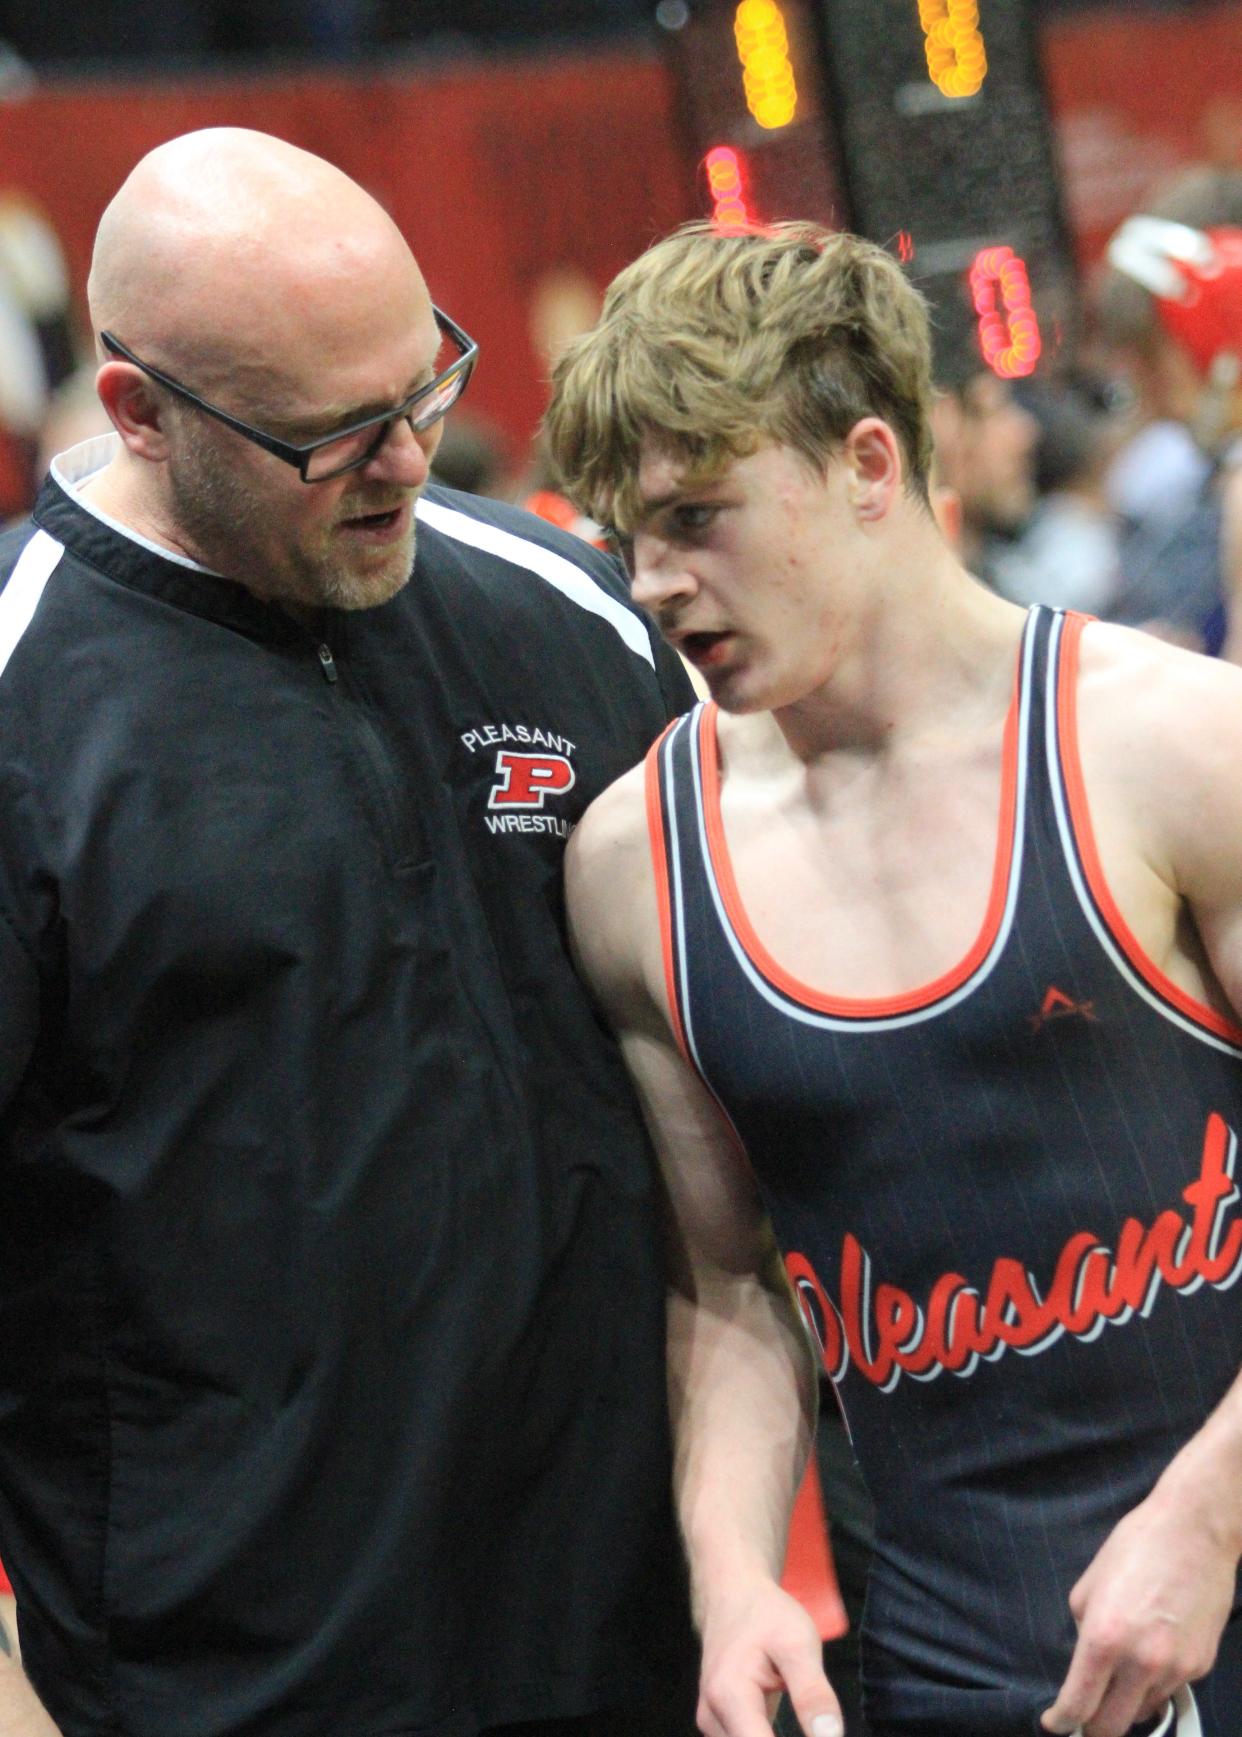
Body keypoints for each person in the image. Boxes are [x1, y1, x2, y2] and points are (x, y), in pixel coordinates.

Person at [0, 128, 700, 1736]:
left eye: (425, 383)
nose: (405, 458)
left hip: (627, 1656)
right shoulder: (27, 709)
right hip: (228, 1689)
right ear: (141, 414)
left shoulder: (572, 616)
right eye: (333, 433)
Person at [544, 219, 1242, 1737]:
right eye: (625, 538)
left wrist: (1209, 1514)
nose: (655, 583)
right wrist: (734, 1580)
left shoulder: (1172, 747)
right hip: (948, 1658)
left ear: (868, 462)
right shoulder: (633, 867)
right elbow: (728, 1277)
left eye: (698, 517)